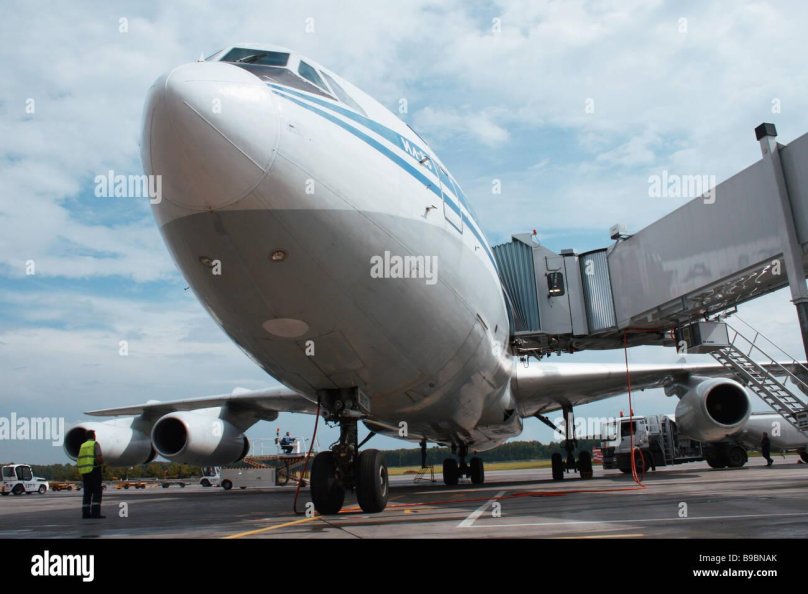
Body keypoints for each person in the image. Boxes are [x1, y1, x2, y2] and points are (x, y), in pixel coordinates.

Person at [77, 430, 105, 519]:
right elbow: (99, 457)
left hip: (85, 472)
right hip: (94, 470)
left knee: (87, 493)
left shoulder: (83, 445)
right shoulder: (95, 444)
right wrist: (102, 463)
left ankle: (85, 514)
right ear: (93, 436)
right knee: (97, 492)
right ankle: (95, 513)